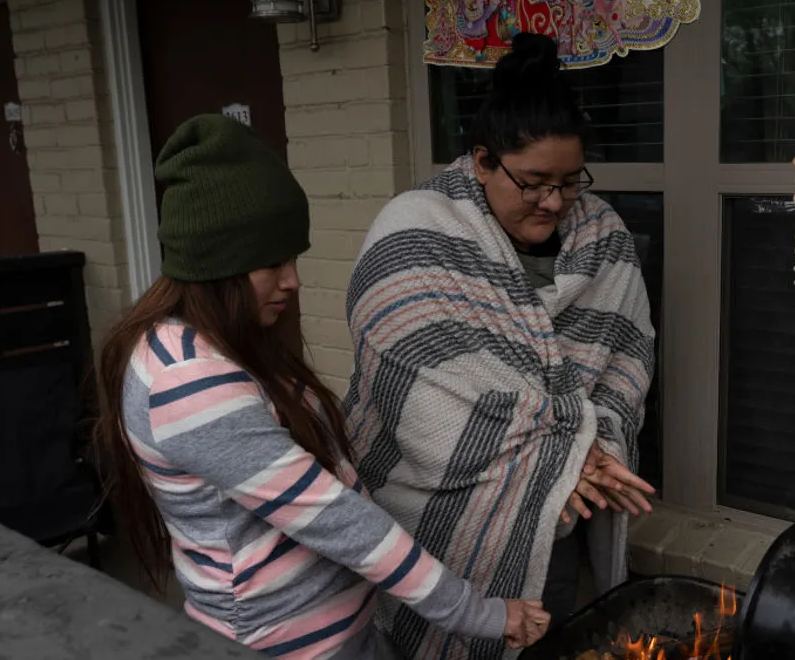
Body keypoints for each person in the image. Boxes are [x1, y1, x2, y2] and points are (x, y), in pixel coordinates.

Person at [92, 114, 549, 660]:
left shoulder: (221, 344)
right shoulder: (189, 380)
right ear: (217, 265)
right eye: (270, 262)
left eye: (292, 258)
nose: (293, 280)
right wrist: (480, 613)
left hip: (337, 633)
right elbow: (335, 518)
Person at [344, 33, 657, 660]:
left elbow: (626, 353)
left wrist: (584, 453)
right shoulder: (416, 228)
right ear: (483, 160)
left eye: (571, 182)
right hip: (434, 511)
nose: (554, 202)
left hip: (558, 517)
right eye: (535, 182)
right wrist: (568, 452)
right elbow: (415, 370)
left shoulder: (602, 234)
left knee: (547, 635)